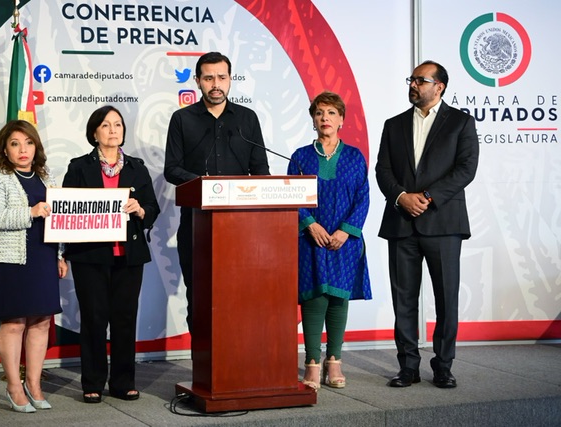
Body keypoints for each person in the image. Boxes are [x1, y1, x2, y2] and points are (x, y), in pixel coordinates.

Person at [375, 60, 479, 388]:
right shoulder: (393, 125)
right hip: (401, 222)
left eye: (421, 80)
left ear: (439, 86)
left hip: (443, 222)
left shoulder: (460, 122)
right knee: (403, 300)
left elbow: (466, 168)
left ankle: (443, 366)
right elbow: (382, 170)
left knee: (446, 299)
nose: (413, 84)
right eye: (412, 79)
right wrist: (401, 196)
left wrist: (429, 196)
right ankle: (408, 366)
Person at [164, 51, 270, 333]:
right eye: (209, 78)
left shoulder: (247, 119)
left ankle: (237, 355)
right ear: (197, 81)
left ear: (230, 79)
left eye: (221, 77)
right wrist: (204, 184)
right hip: (196, 225)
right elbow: (172, 169)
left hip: (241, 227)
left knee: (239, 295)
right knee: (199, 297)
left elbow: (261, 171)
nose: (215, 84)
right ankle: (202, 356)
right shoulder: (182, 119)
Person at [62, 105, 160, 403]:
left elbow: (153, 209)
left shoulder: (137, 168)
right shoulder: (79, 167)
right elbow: (66, 212)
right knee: (94, 319)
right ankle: (92, 382)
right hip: (90, 255)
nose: (113, 130)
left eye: (118, 124)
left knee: (124, 319)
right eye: (105, 125)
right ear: (94, 133)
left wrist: (140, 209)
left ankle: (122, 382)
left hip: (128, 256)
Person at [0, 119, 67, 413]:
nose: (23, 149)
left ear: (36, 146)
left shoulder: (45, 176)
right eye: (15, 144)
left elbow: (58, 219)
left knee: (41, 321)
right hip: (11, 260)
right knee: (14, 323)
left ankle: (34, 384)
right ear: (5, 149)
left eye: (28, 143)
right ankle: (14, 386)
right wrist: (30, 211)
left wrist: (60, 255)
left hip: (44, 257)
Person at [287, 91, 371, 391]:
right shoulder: (300, 157)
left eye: (332, 113)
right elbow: (291, 196)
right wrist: (310, 224)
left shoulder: (354, 156)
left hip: (344, 241)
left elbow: (363, 197)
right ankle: (312, 362)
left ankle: (334, 361)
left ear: (341, 120)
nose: (325, 118)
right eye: (320, 113)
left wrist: (346, 231)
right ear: (313, 119)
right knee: (314, 298)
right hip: (311, 238)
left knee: (337, 298)